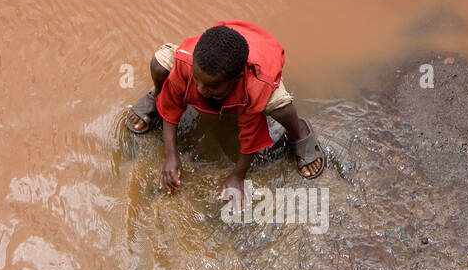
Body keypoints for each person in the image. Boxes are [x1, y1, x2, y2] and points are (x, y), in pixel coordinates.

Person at [125, 21, 326, 203]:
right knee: (160, 63)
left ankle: (299, 132)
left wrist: (238, 175)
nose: (201, 90)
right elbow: (173, 104)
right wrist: (170, 154)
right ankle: (155, 96)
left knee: (279, 105)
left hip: (260, 62)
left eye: (212, 87)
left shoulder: (253, 86)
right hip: (213, 53)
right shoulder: (188, 62)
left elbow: (251, 136)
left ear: (237, 79)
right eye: (197, 81)